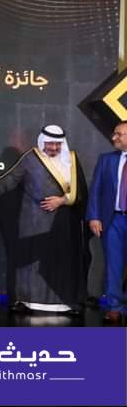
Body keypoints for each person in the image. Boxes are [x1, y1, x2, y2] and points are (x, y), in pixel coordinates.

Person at [0, 125, 89, 314]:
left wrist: (62, 200)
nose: (53, 148)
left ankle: (64, 302)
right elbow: (11, 179)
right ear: (42, 141)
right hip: (35, 221)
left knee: (63, 261)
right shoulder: (31, 158)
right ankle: (31, 301)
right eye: (50, 144)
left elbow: (81, 190)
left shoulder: (72, 160)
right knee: (33, 263)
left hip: (64, 222)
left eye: (57, 144)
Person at [86, 120, 127, 323]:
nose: (114, 137)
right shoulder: (106, 160)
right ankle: (114, 307)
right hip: (113, 220)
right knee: (113, 265)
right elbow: (96, 190)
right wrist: (94, 216)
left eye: (119, 134)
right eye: (114, 133)